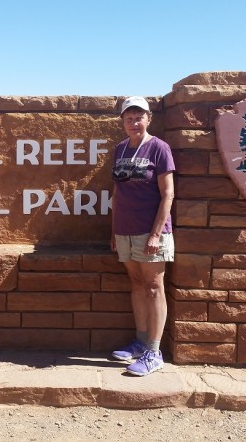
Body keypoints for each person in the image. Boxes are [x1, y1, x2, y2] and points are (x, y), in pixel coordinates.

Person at [109, 96, 175, 377]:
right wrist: (114, 230)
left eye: (139, 118)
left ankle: (154, 352)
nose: (134, 123)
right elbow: (117, 193)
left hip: (151, 231)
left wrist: (156, 234)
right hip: (125, 230)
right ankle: (140, 341)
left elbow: (168, 194)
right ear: (122, 122)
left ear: (149, 119)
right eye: (129, 118)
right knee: (137, 284)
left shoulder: (159, 148)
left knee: (153, 287)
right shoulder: (120, 149)